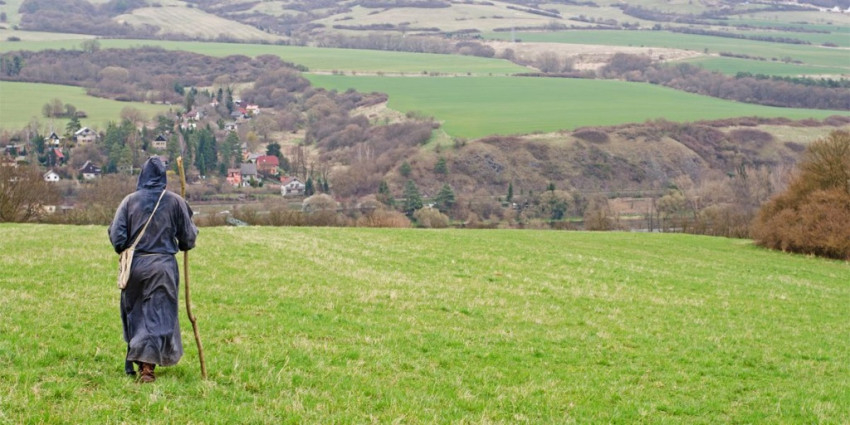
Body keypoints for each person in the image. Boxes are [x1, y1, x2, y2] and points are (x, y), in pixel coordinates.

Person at [108, 156, 198, 383]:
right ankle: (147, 369)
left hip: (135, 267)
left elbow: (117, 238)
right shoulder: (176, 202)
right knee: (157, 315)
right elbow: (188, 239)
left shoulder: (129, 202)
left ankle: (141, 362)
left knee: (137, 313)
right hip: (162, 268)